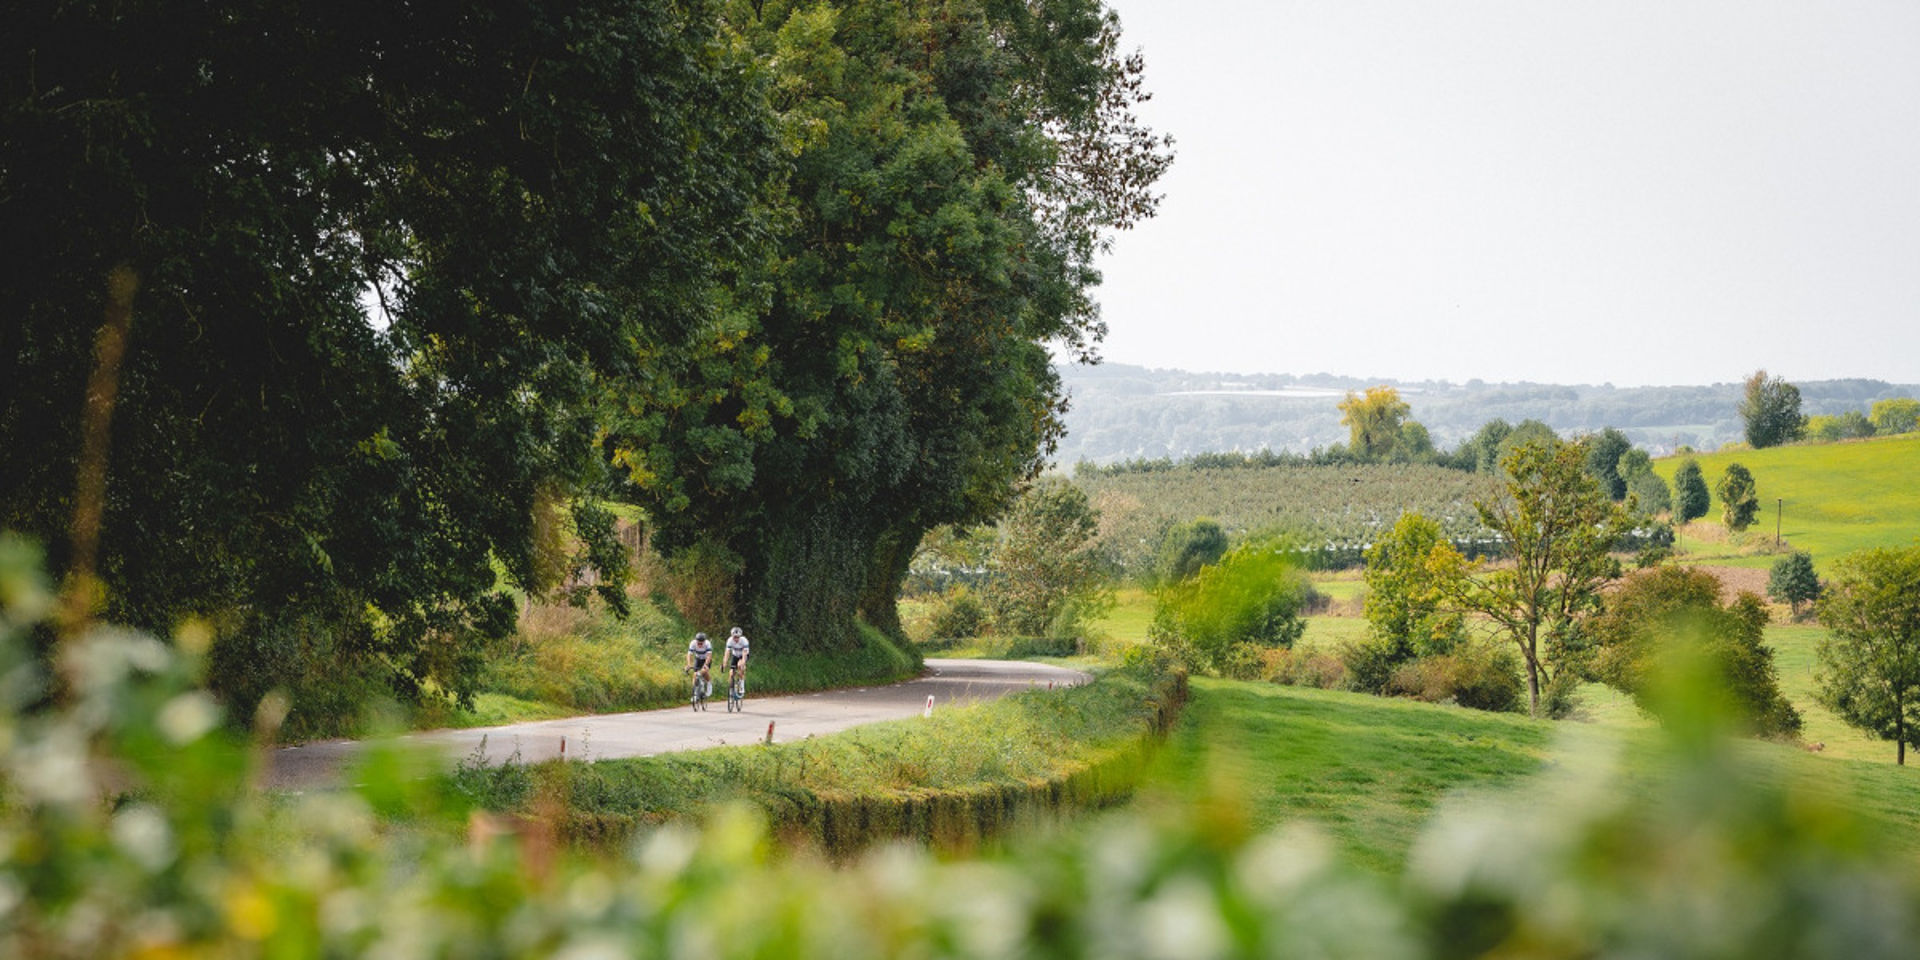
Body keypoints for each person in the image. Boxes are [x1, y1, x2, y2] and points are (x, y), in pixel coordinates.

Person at [686, 632, 714, 700]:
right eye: (698, 643)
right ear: (696, 641)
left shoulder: (707, 643)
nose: (700, 644)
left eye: (701, 643)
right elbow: (689, 655)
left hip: (706, 659)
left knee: (704, 671)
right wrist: (689, 664)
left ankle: (709, 684)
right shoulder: (693, 643)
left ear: (704, 641)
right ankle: (695, 694)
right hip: (698, 659)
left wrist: (706, 664)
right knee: (695, 674)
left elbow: (709, 656)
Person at [725, 626, 750, 695]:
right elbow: (727, 653)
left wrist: (743, 663)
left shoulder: (744, 640)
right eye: (734, 637)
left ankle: (742, 684)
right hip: (735, 655)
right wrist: (724, 663)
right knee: (731, 673)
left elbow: (744, 653)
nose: (736, 639)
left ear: (740, 636)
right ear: (732, 636)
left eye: (737, 637)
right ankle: (731, 688)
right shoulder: (730, 640)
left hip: (743, 655)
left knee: (740, 665)